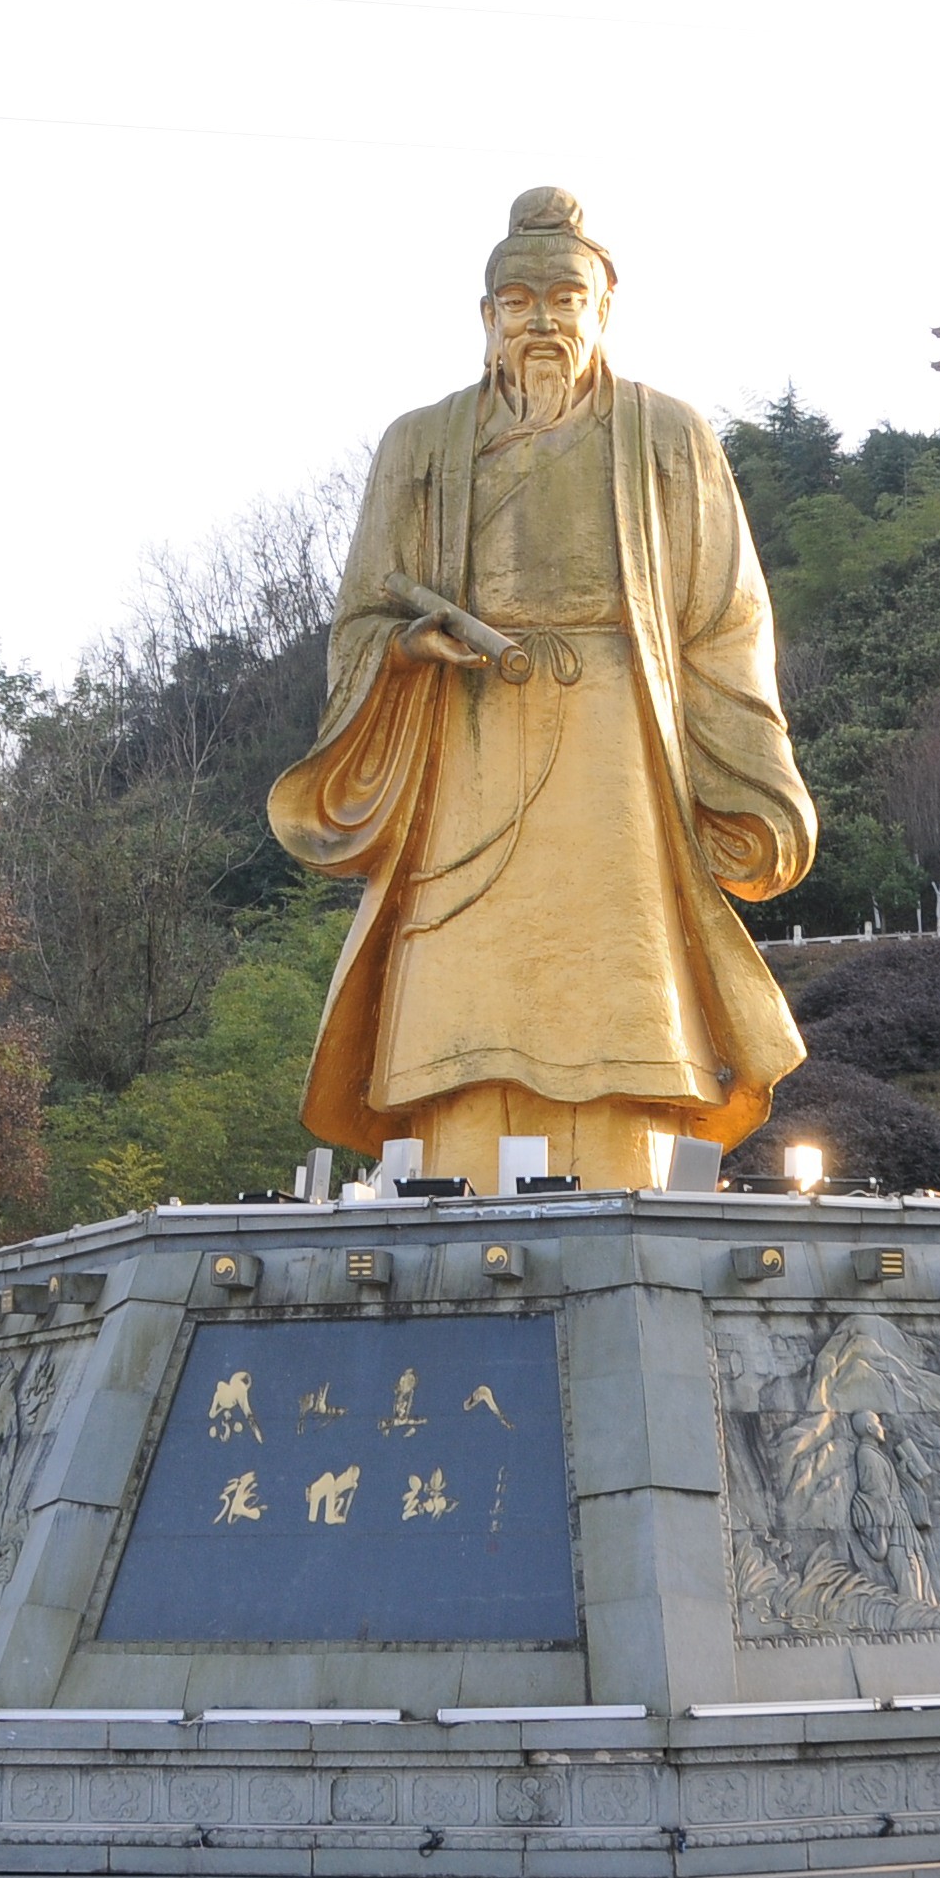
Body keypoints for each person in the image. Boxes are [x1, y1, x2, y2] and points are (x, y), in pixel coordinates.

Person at [268, 188, 815, 1191]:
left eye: (566, 297)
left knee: (619, 985)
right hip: (464, 744)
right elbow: (358, 618)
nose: (543, 321)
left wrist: (751, 769)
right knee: (458, 996)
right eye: (517, 300)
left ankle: (627, 1169)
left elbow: (724, 617)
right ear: (486, 321)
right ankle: (452, 1166)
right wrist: (405, 647)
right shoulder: (420, 448)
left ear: (604, 309)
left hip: (616, 748)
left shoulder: (665, 435)